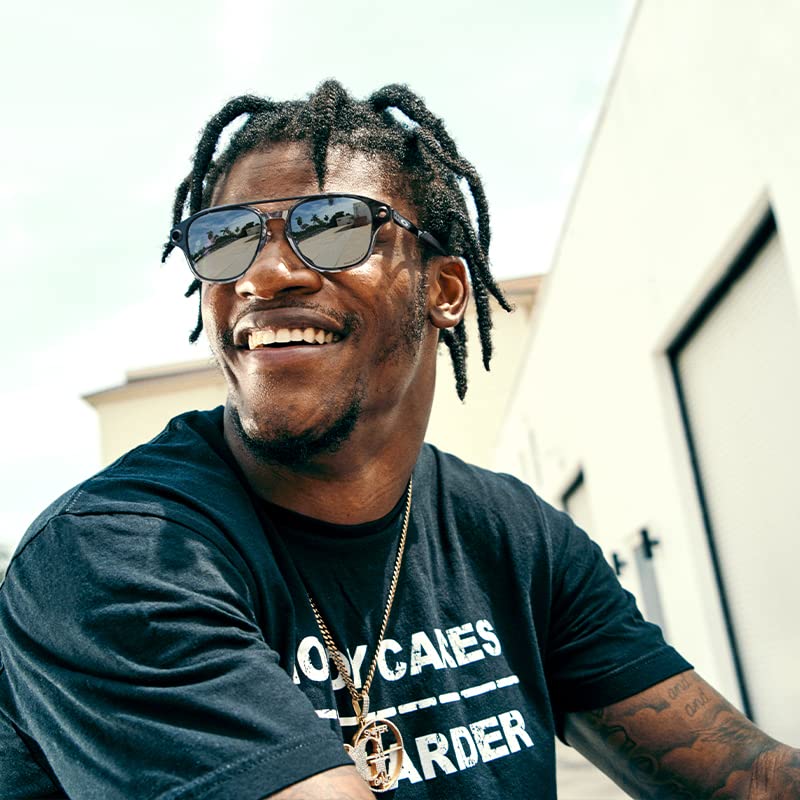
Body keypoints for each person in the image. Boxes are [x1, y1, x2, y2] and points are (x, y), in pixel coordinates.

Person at [0, 81, 797, 800]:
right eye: (227, 238)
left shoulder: (514, 537)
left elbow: (747, 777)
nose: (262, 276)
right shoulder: (112, 557)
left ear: (443, 289)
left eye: (332, 226)